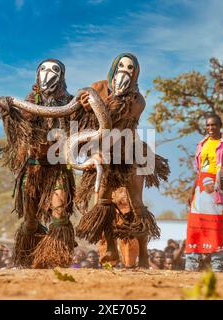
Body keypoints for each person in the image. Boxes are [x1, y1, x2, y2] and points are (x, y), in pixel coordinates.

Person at [75, 53, 170, 268]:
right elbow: (85, 118)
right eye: (121, 66)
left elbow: (116, 118)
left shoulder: (138, 100)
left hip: (128, 152)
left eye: (130, 68)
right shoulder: (96, 87)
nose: (125, 70)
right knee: (102, 203)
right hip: (102, 152)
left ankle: (143, 255)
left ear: (135, 73)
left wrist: (100, 104)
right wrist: (86, 106)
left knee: (136, 205)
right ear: (113, 67)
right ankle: (108, 252)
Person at [0, 59, 76, 268]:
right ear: (37, 74)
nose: (48, 74)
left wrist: (85, 104)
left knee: (59, 211)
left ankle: (56, 256)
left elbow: (84, 121)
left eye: (54, 70)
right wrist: (7, 108)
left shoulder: (71, 102)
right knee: (30, 220)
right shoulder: (29, 101)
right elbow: (21, 118)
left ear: (62, 76)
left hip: (58, 167)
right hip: (33, 167)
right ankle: (27, 255)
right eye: (44, 69)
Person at [185, 114, 223, 272]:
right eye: (208, 125)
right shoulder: (201, 144)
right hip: (201, 190)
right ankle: (191, 265)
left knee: (218, 226)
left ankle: (217, 266)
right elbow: (198, 172)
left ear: (220, 126)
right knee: (195, 226)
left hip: (222, 190)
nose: (210, 128)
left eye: (213, 125)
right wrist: (191, 192)